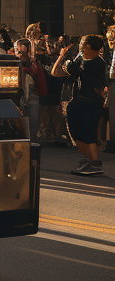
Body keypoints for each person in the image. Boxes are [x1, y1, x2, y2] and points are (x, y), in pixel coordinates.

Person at [52, 34, 108, 176]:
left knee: (85, 134)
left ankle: (94, 162)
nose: (80, 46)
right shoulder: (85, 62)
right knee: (81, 134)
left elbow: (73, 69)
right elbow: (56, 72)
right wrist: (62, 57)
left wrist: (71, 61)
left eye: (83, 43)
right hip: (82, 102)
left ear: (88, 46)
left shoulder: (95, 63)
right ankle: (89, 161)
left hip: (88, 103)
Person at [15, 38, 47, 142]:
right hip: (19, 92)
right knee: (20, 119)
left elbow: (39, 77)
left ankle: (32, 141)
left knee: (34, 120)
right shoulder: (14, 60)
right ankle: (22, 140)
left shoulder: (34, 62)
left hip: (32, 91)